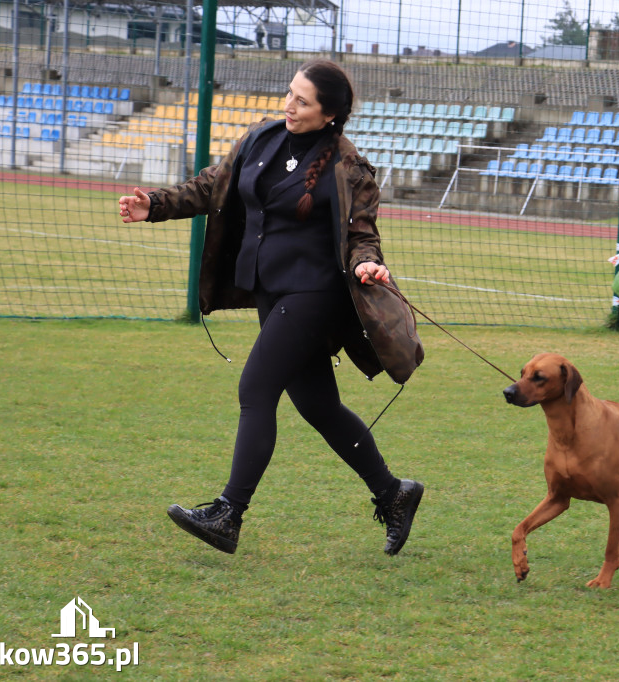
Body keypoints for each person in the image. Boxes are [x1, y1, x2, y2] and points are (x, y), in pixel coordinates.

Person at [118, 59, 424, 557]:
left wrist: (368, 265)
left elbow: (362, 235)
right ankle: (393, 493)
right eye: (290, 94)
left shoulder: (350, 168)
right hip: (270, 290)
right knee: (318, 406)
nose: (290, 105)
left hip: (316, 294)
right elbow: (211, 185)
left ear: (330, 114)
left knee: (255, 388)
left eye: (303, 101)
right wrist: (156, 204)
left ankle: (228, 513)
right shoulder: (261, 138)